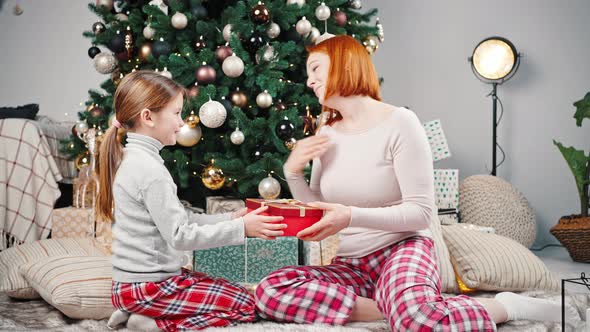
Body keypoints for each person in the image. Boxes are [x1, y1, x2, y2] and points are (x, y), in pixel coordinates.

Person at [254, 34, 569, 331]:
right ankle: (398, 306)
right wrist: (293, 173)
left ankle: (506, 306)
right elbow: (322, 210)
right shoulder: (327, 132)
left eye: (315, 69)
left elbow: (421, 213)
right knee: (270, 291)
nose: (309, 81)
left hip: (402, 249)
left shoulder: (401, 123)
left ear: (343, 64)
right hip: (352, 263)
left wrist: (350, 216)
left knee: (417, 320)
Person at [96, 70, 286, 331]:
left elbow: (180, 219)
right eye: (176, 113)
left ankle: (136, 313)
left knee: (230, 290)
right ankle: (154, 324)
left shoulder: (134, 159)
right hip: (149, 288)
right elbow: (180, 236)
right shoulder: (150, 171)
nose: (181, 122)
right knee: (245, 304)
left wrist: (230, 217)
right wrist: (242, 229)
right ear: (148, 117)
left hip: (134, 285)